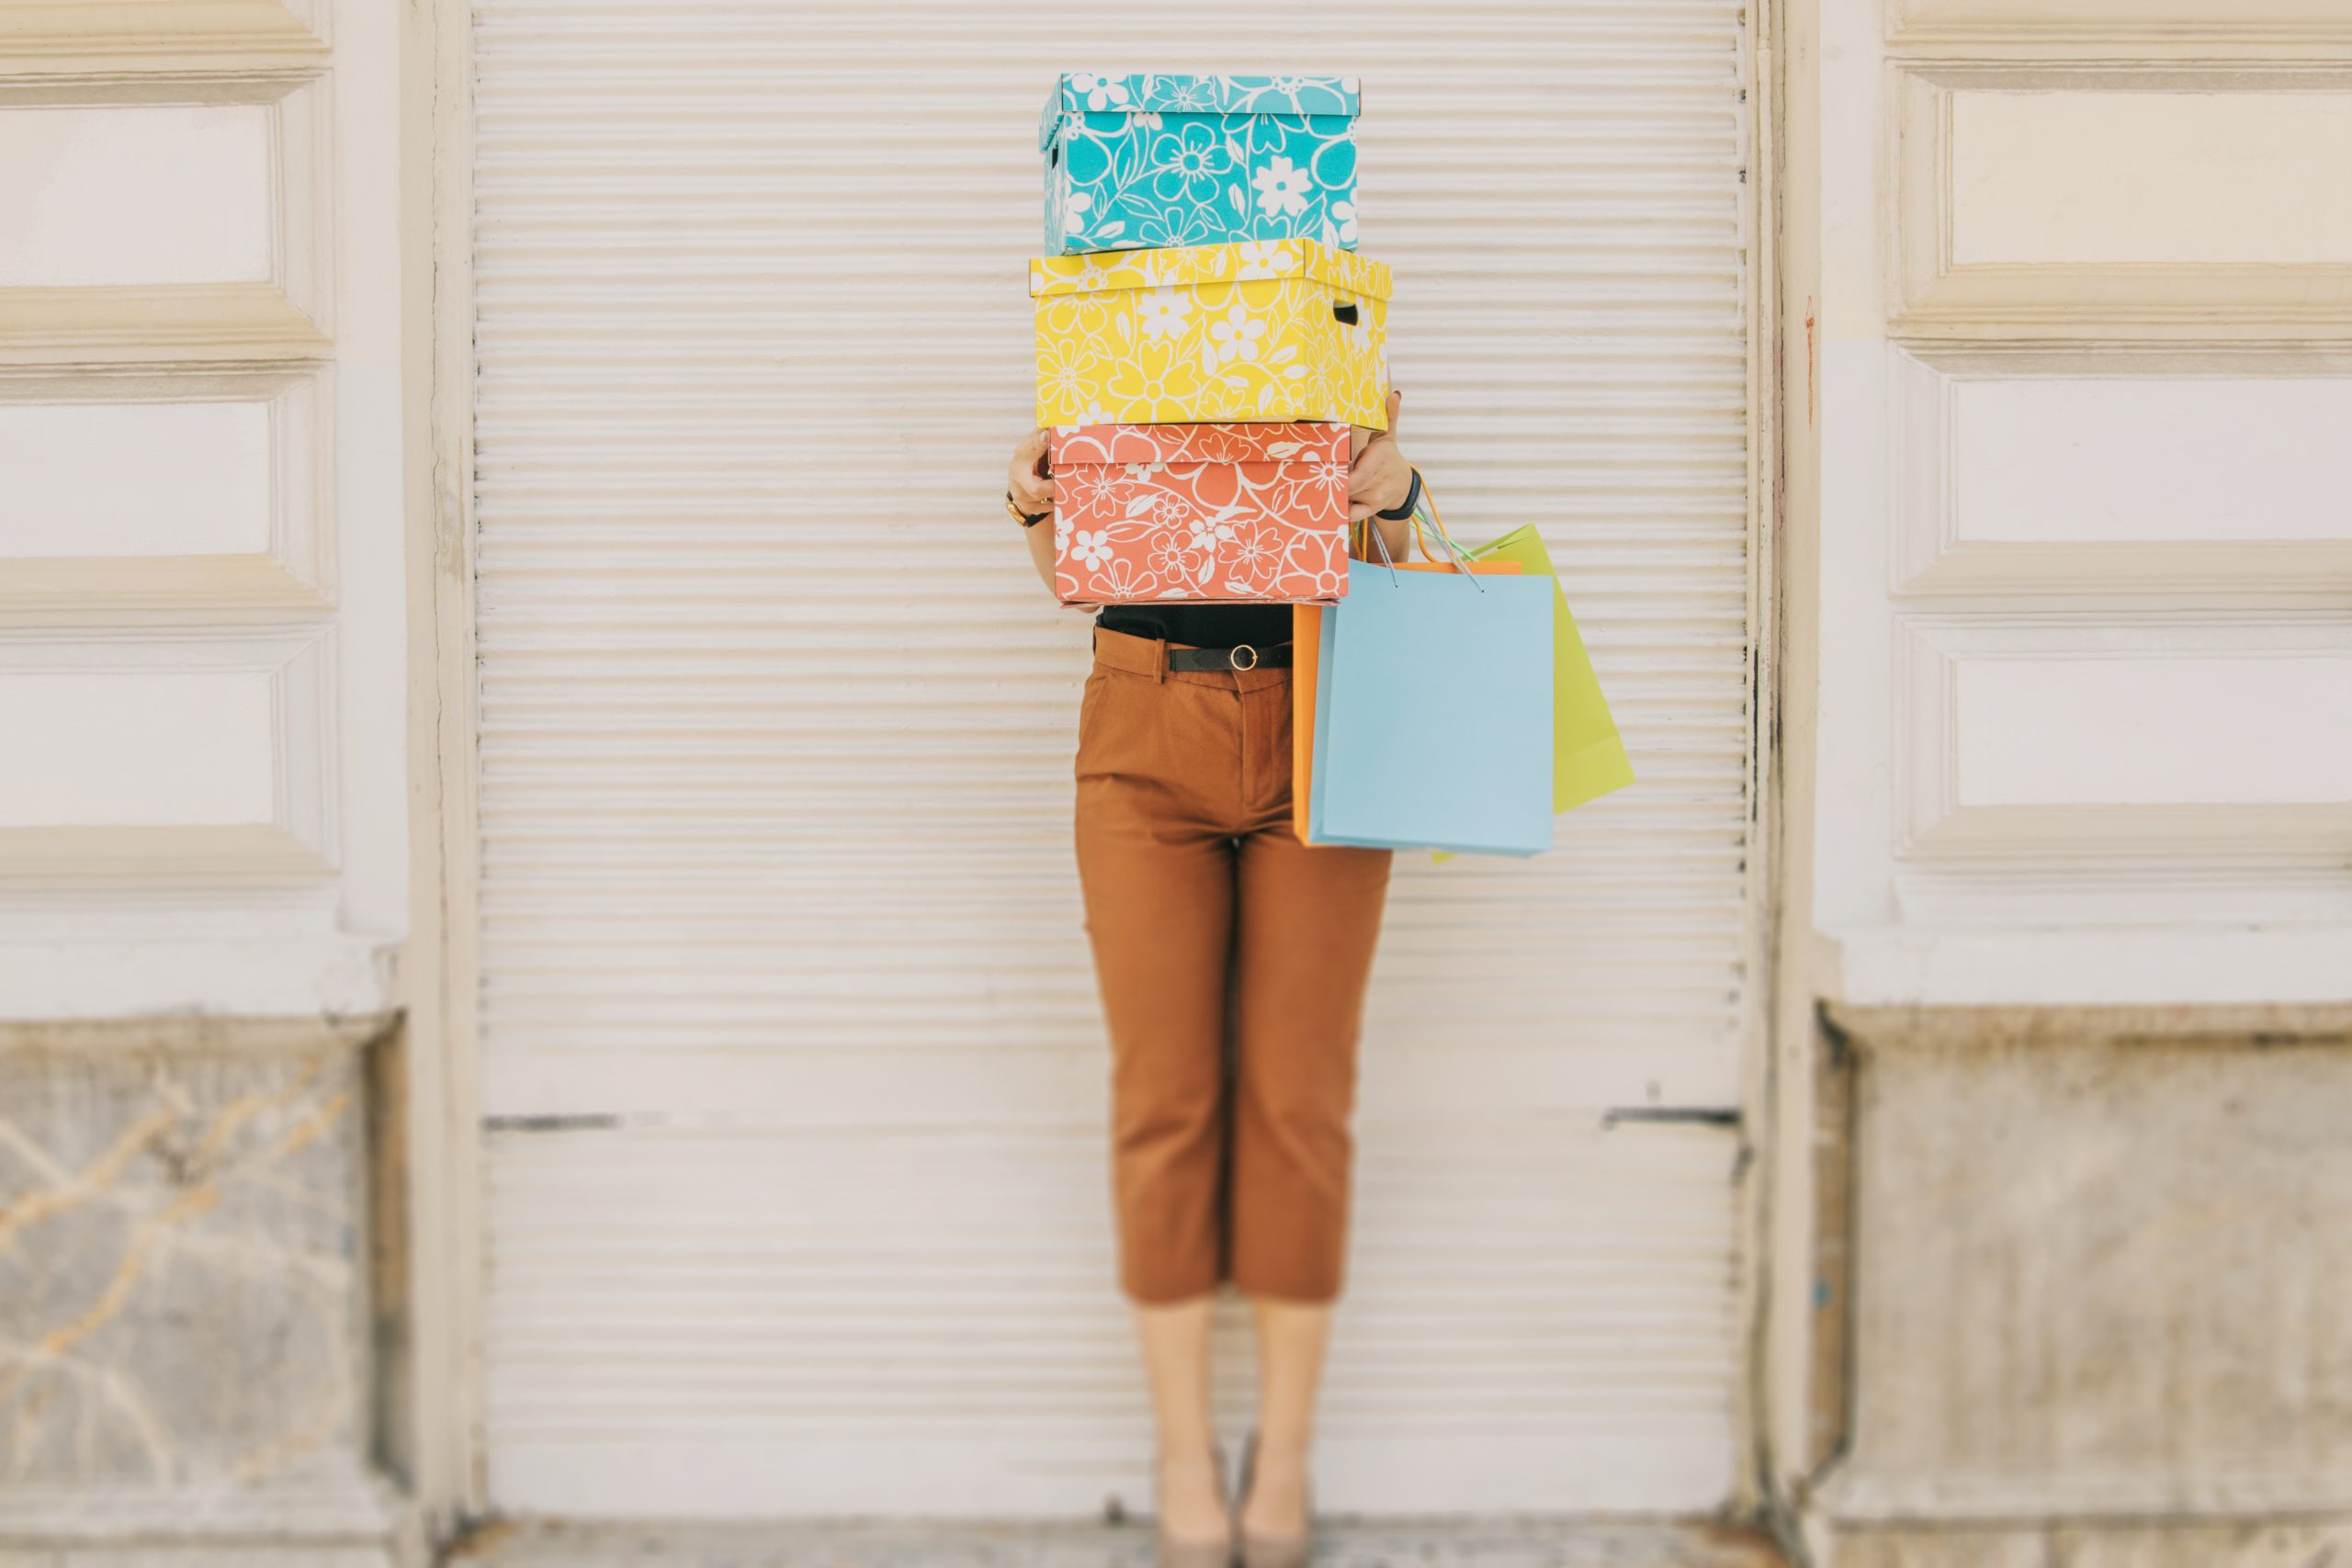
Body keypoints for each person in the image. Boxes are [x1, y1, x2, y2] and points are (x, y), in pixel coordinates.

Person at [1003, 391, 1419, 1568]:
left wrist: (1394, 491)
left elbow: (1397, 554)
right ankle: (1183, 1455)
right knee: (1164, 1101)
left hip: (1324, 702)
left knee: (1299, 1102)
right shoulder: (1109, 325)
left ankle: (1281, 1456)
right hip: (1143, 716)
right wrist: (1033, 497)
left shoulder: (1323, 325)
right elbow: (1075, 575)